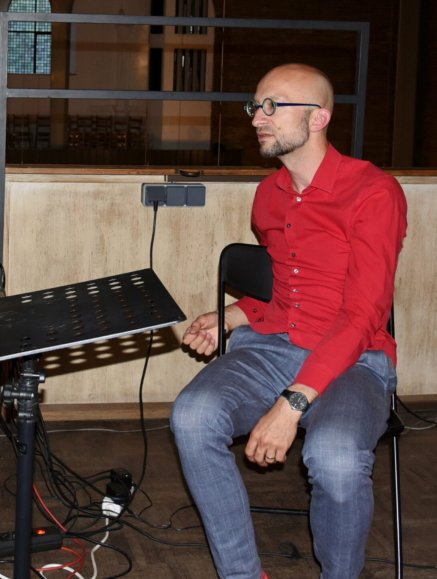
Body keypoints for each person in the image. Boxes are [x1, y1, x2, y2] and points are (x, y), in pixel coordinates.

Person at [170, 64, 407, 579]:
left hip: (356, 358)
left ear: (318, 118)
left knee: (336, 457)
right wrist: (234, 315)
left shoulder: (374, 191)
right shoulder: (268, 195)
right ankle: (242, 574)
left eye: (274, 106)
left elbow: (363, 313)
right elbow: (288, 291)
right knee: (192, 415)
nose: (258, 118)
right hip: (273, 347)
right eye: (256, 106)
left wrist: (292, 402)